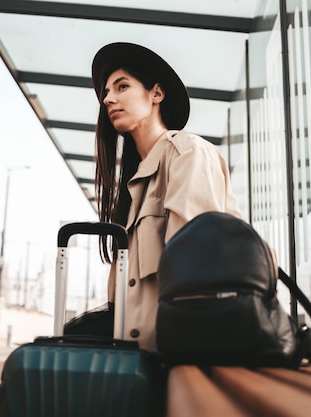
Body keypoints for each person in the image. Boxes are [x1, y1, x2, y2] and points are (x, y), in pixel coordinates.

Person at [91, 42, 242, 351]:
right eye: (107, 92)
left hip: (177, 356)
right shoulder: (135, 185)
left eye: (122, 86)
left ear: (156, 94)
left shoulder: (187, 154)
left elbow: (196, 273)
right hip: (139, 358)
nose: (108, 98)